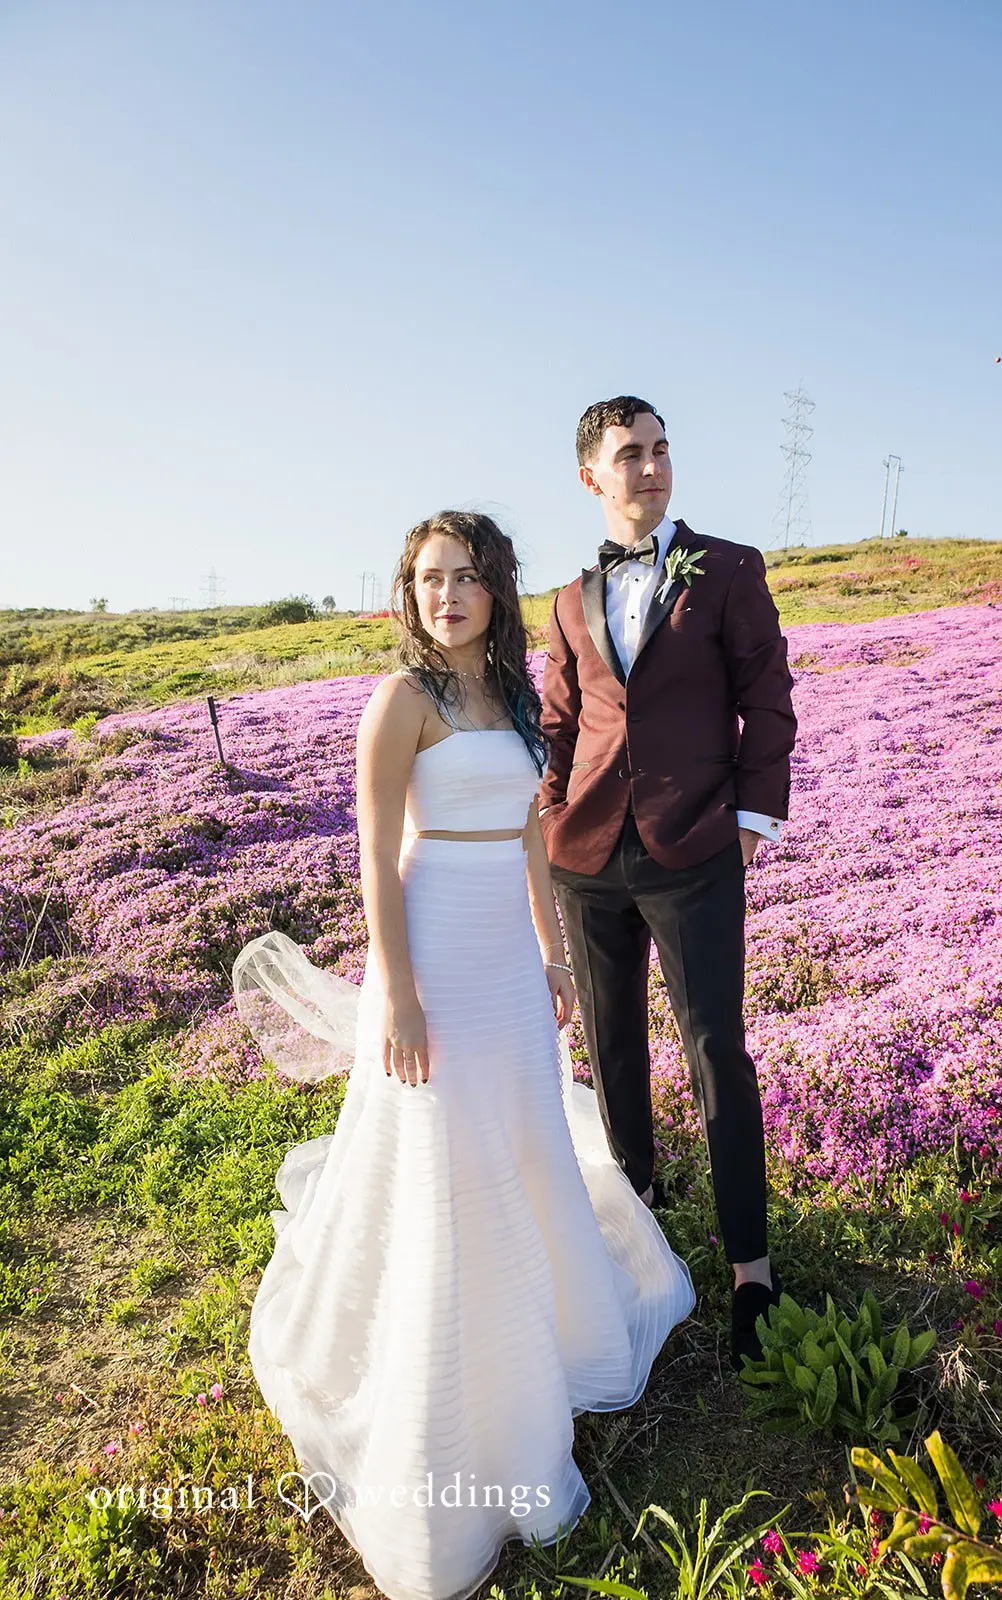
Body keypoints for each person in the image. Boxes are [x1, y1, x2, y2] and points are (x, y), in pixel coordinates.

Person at [231, 510, 695, 1600]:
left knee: (523, 1136)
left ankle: (545, 1343)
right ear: (410, 591)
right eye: (430, 579)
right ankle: (454, 1392)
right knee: (443, 1154)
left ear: (495, 590)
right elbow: (377, 861)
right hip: (435, 951)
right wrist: (393, 988)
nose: (447, 595)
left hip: (504, 961)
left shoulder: (514, 699)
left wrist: (551, 955)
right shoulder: (400, 702)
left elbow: (532, 837)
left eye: (466, 579)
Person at [538, 397, 798, 1370]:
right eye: (627, 455)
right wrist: (541, 820)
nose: (649, 468)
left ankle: (750, 1269)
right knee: (611, 1051)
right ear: (590, 477)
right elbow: (558, 728)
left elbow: (765, 698)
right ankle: (637, 1226)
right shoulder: (567, 599)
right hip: (585, 858)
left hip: (696, 850)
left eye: (658, 450)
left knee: (713, 1047)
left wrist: (749, 823)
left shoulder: (727, 569)